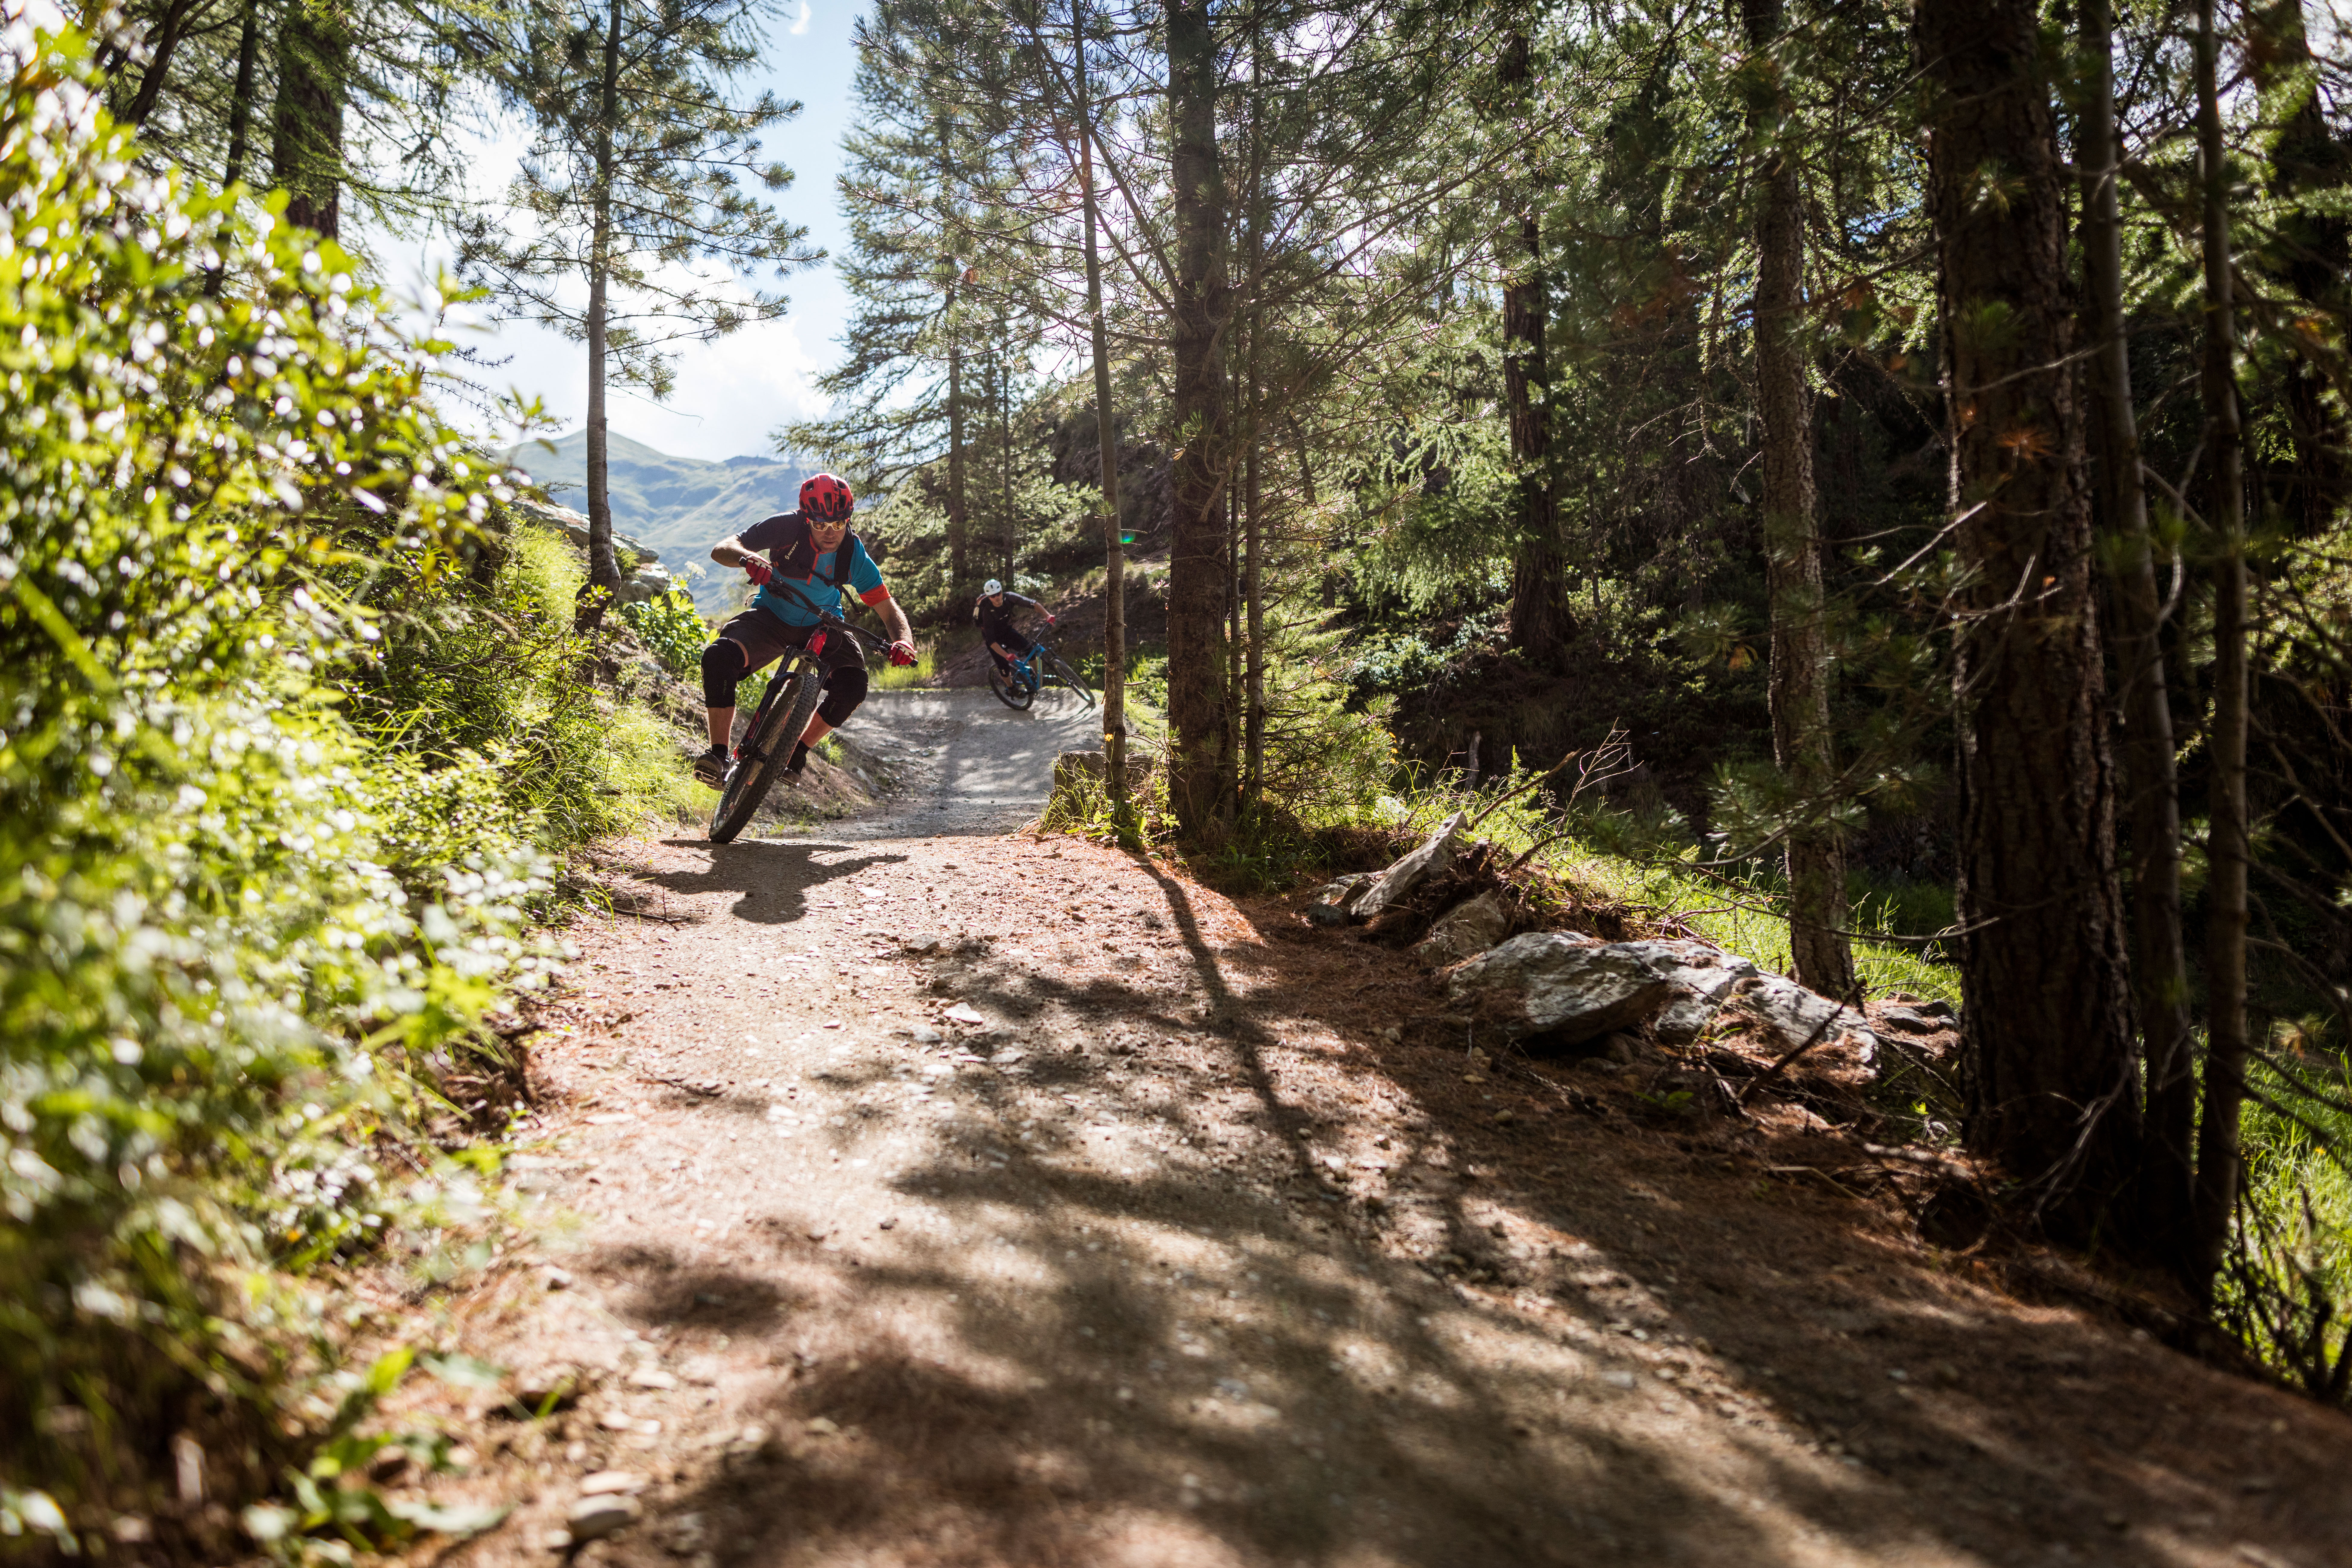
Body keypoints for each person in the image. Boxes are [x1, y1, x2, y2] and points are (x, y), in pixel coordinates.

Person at [692, 473, 917, 787]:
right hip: (771, 616)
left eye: (838, 524)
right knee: (719, 657)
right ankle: (718, 754)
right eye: (820, 524)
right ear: (806, 517)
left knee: (853, 685)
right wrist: (748, 558)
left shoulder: (853, 554)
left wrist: (903, 642)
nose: (830, 532)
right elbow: (723, 549)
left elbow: (887, 607)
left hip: (824, 625)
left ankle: (796, 753)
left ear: (848, 519)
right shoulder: (785, 527)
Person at [975, 578, 1054, 683]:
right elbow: (992, 642)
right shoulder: (987, 612)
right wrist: (1006, 655)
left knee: (1029, 650)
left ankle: (1040, 678)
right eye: (993, 596)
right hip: (993, 638)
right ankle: (1011, 687)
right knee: (1004, 667)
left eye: (998, 594)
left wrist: (1048, 616)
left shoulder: (1010, 597)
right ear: (989, 598)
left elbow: (1033, 604)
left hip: (1007, 631)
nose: (997, 598)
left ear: (1002, 592)